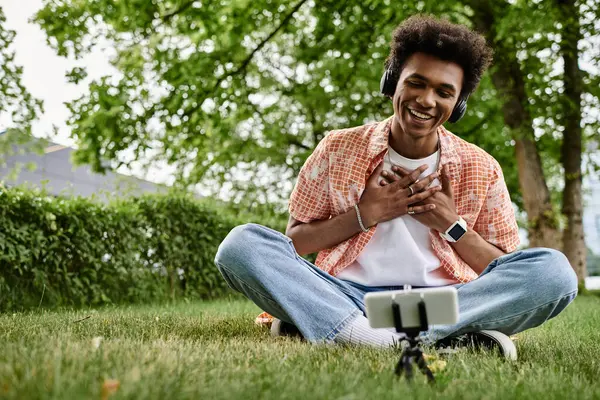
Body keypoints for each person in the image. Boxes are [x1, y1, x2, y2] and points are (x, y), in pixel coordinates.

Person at [214, 15, 578, 360]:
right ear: (392, 82)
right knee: (241, 245)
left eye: (444, 92)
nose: (426, 100)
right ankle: (425, 337)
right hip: (346, 293)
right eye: (416, 83)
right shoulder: (338, 148)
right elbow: (295, 243)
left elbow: (502, 269)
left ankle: (341, 329)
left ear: (458, 104)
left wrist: (452, 226)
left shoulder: (480, 166)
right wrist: (365, 214)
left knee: (553, 272)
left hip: (438, 303)